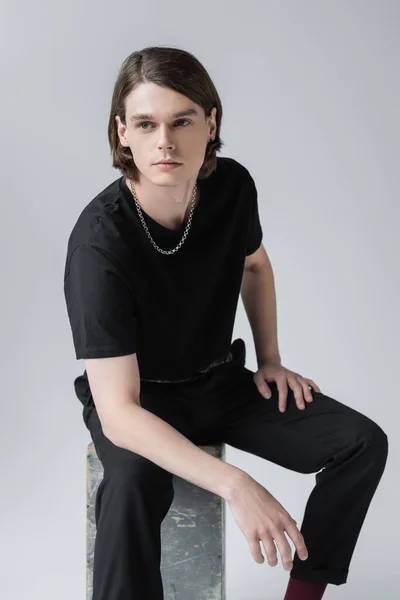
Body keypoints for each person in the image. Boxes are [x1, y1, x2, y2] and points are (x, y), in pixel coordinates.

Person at [63, 46, 388, 600]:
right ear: (123, 133)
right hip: (141, 402)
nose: (164, 141)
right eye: (146, 123)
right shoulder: (99, 243)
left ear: (211, 123)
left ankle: (304, 595)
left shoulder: (231, 187)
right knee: (131, 484)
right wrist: (237, 486)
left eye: (182, 121)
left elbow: (254, 265)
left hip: (220, 383)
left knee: (361, 443)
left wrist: (271, 360)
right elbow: (117, 414)